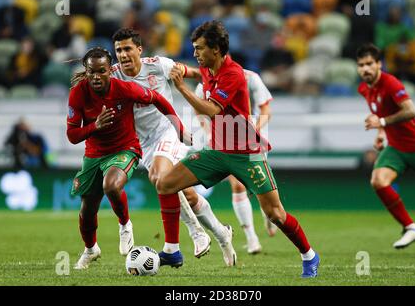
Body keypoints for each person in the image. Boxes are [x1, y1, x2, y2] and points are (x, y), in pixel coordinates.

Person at [157, 20, 320, 278]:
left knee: (275, 214)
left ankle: (309, 255)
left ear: (217, 50)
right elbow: (199, 72)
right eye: (195, 48)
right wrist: (176, 69)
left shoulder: (233, 74)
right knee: (165, 184)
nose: (196, 53)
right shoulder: (209, 67)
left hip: (246, 154)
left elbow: (210, 109)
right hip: (218, 152)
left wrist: (181, 87)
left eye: (200, 48)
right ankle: (172, 250)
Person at [110, 28, 236, 266]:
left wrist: (218, 84)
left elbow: (196, 73)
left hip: (168, 130)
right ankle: (222, 234)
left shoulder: (158, 65)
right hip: (142, 142)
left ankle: (185, 240)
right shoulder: (113, 75)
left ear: (139, 50)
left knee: (161, 178)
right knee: (185, 193)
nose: (123, 55)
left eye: (127, 49)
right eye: (118, 50)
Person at [67, 47, 189, 269]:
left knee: (111, 186)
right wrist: (96, 126)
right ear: (86, 71)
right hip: (94, 154)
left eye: (102, 71)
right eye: (91, 72)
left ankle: (125, 225)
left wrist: (178, 126)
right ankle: (91, 249)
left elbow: (158, 99)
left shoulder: (124, 88)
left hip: (125, 148)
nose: (96, 76)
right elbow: (72, 135)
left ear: (109, 71)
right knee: (87, 209)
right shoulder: (78, 93)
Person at [356, 43, 415, 249]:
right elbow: (381, 112)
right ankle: (411, 228)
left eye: (369, 64)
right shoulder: (364, 88)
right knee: (378, 181)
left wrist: (382, 123)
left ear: (379, 64)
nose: (365, 69)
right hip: (396, 149)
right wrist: (381, 133)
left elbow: (411, 111)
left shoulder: (391, 83)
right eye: (361, 65)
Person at [194, 69, 278, 255]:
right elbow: (198, 108)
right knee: (238, 185)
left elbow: (266, 110)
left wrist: (251, 129)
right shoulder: (206, 80)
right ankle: (252, 239)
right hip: (229, 144)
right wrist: (207, 131)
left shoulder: (250, 78)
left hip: (253, 142)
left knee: (260, 188)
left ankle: (268, 215)